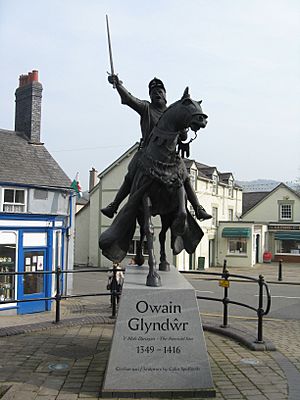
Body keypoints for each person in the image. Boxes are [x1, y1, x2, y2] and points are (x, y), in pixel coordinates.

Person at [101, 74, 212, 221]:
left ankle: (198, 208)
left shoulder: (173, 112)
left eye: (160, 92)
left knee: (185, 177)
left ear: (165, 94)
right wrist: (118, 84)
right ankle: (114, 205)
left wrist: (184, 130)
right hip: (147, 152)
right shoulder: (146, 108)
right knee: (130, 175)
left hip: (170, 156)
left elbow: (183, 137)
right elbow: (129, 99)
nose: (157, 94)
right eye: (153, 93)